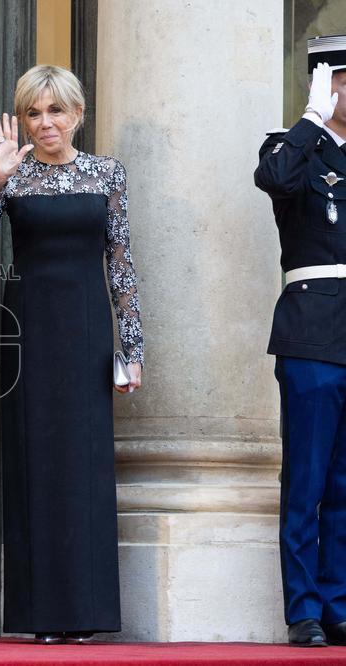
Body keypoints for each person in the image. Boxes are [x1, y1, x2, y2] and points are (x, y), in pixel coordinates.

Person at [0, 64, 143, 644]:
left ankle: (86, 613)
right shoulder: (13, 175)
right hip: (30, 329)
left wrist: (131, 347)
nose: (45, 124)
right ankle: (41, 615)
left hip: (87, 330)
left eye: (55, 111)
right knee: (35, 463)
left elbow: (120, 264)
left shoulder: (106, 173)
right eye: (33, 113)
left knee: (84, 465)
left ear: (78, 115)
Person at [254, 35, 346, 648]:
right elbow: (274, 178)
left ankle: (338, 603)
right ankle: (304, 609)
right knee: (308, 480)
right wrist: (311, 119)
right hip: (312, 330)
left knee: (345, 485)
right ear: (326, 82)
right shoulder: (293, 149)